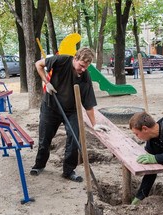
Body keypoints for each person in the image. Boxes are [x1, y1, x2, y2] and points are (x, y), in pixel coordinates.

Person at [31, 47, 109, 182]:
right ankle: (39, 165)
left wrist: (94, 124)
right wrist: (47, 82)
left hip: (71, 111)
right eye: (81, 65)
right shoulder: (61, 60)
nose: (83, 69)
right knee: (45, 138)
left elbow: (88, 104)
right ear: (75, 59)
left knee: (74, 139)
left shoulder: (85, 77)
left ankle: (68, 171)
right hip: (50, 107)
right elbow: (38, 64)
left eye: (86, 67)